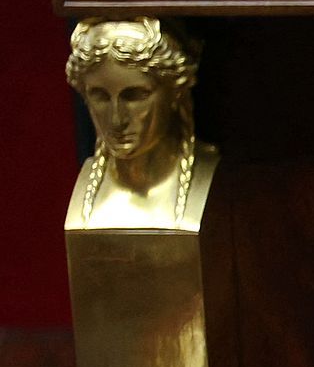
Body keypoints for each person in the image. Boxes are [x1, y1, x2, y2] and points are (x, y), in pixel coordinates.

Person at [65, 17, 211, 231]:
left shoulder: (210, 178)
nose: (116, 119)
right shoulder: (87, 192)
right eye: (100, 96)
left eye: (134, 96)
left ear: (176, 92)